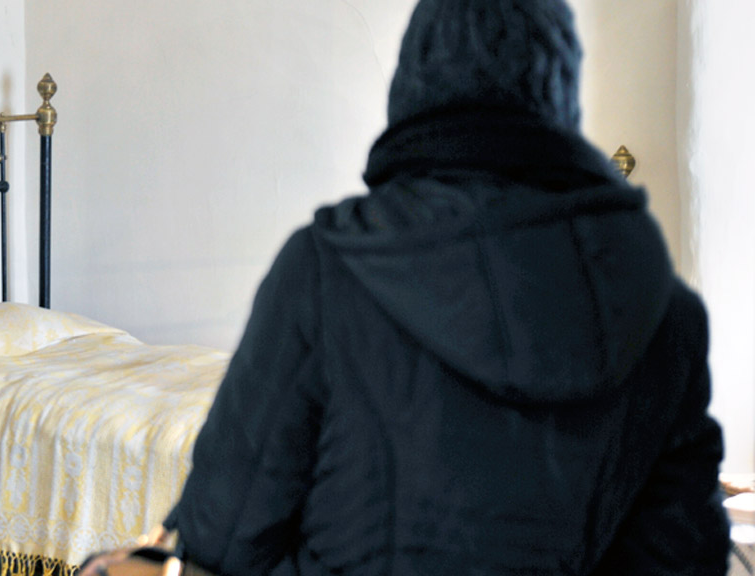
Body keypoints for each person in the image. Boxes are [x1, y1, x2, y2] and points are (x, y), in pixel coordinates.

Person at [83, 0, 731, 574]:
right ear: (562, 101)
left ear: (413, 86)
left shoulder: (325, 270)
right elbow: (686, 556)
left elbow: (223, 536)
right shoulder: (666, 313)